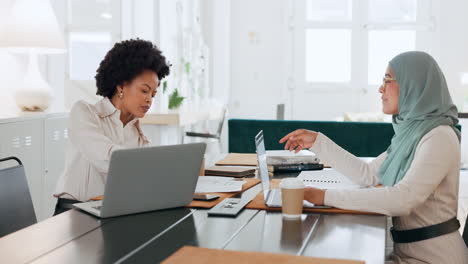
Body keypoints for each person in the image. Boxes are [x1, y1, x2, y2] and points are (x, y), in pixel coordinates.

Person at [279, 51, 468, 263]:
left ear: (413, 85)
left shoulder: (439, 136)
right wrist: (317, 142)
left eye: (387, 80)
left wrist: (324, 197)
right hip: (407, 253)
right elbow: (367, 174)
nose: (380, 88)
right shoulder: (413, 133)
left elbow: (402, 199)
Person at [53, 39, 170, 215]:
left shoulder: (138, 135)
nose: (149, 100)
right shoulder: (85, 113)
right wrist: (151, 166)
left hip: (112, 213)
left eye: (153, 94)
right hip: (74, 213)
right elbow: (106, 157)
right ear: (121, 86)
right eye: (144, 91)